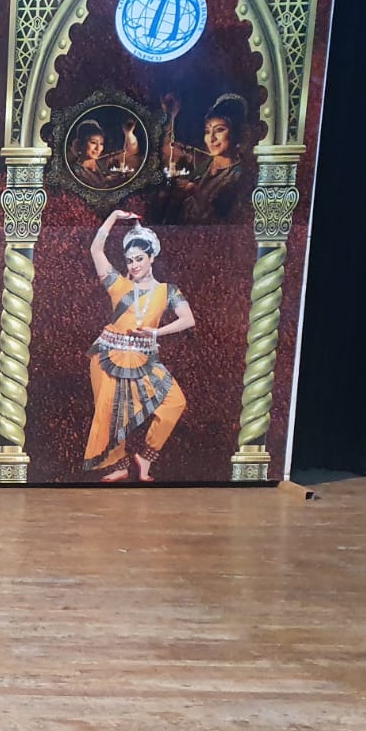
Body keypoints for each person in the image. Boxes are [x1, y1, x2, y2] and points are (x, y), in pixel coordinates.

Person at [84, 210, 195, 481]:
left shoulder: (167, 291)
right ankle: (118, 465)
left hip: (144, 358)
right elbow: (96, 249)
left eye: (139, 259)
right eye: (130, 260)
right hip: (107, 355)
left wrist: (156, 332)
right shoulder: (118, 284)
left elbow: (187, 319)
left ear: (151, 257)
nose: (134, 265)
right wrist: (113, 217)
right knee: (110, 413)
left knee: (174, 403)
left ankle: (145, 456)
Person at [157, 92, 251, 224]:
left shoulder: (240, 177)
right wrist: (170, 115)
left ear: (236, 132)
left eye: (219, 130)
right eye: (207, 131)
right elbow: (169, 148)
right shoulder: (203, 161)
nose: (211, 138)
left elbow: (223, 222)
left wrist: (195, 192)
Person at [68, 114, 140, 190]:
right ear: (81, 144)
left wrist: (128, 133)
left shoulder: (103, 162)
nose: (98, 148)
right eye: (93, 142)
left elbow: (130, 152)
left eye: (101, 144)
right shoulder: (74, 171)